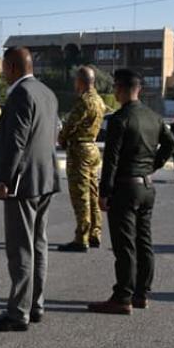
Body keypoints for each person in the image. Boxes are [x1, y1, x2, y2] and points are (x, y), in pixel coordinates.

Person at [0, 47, 61, 332]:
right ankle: (35, 305)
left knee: (20, 250)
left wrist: (1, 181)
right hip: (45, 179)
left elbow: (16, 141)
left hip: (22, 183)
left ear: (12, 67)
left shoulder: (20, 94)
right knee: (39, 245)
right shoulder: (47, 93)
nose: (2, 73)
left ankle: (18, 313)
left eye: (4, 68)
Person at [88, 70, 174, 314]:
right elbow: (172, 144)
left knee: (125, 245)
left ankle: (122, 297)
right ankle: (141, 294)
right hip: (147, 186)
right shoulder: (154, 117)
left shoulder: (120, 118)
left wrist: (104, 192)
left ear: (122, 88)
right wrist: (153, 166)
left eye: (115, 87)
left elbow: (111, 159)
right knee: (144, 241)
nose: (114, 92)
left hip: (125, 188)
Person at [56, 66, 107, 252]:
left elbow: (70, 125)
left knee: (80, 195)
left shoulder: (83, 101)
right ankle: (95, 233)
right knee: (93, 193)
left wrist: (62, 138)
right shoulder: (99, 100)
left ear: (80, 81)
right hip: (93, 149)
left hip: (79, 150)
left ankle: (81, 238)